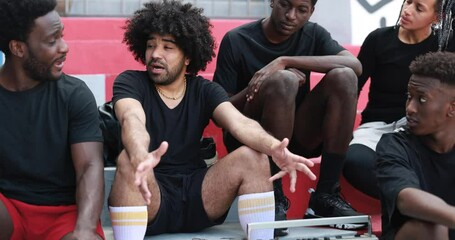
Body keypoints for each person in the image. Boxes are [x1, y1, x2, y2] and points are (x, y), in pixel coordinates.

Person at [106, 1, 316, 240]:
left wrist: (275, 149)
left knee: (254, 155)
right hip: (150, 193)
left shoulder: (204, 89)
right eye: (151, 46)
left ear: (187, 57)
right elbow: (132, 119)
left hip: (199, 195)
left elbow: (240, 123)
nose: (155, 54)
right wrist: (139, 153)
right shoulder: (130, 82)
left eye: (167, 47)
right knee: (128, 160)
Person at [213, 0, 364, 231]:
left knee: (345, 76)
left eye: (302, 10)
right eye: (285, 5)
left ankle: (325, 196)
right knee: (283, 80)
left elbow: (354, 65)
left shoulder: (313, 34)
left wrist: (284, 61)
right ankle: (272, 195)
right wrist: (264, 83)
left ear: (311, 12)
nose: (291, 15)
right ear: (273, 1)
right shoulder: (237, 39)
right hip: (250, 139)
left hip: (297, 137)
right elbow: (219, 111)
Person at [0, 0, 105, 239]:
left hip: (64, 217)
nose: (64, 47)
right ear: (18, 48)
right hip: (8, 211)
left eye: (62, 36)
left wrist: (85, 230)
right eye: (52, 41)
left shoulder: (75, 95)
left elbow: (89, 166)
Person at [343, 0, 455, 199]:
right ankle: (421, 202)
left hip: (423, 127)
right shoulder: (378, 39)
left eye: (418, 8)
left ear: (436, 18)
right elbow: (353, 89)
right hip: (376, 127)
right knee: (355, 162)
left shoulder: (444, 43)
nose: (407, 10)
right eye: (408, 2)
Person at [376, 51, 455, 240]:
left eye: (422, 99)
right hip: (415, 235)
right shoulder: (394, 145)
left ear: (452, 108)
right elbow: (407, 199)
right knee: (432, 228)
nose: (410, 108)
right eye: (409, 97)